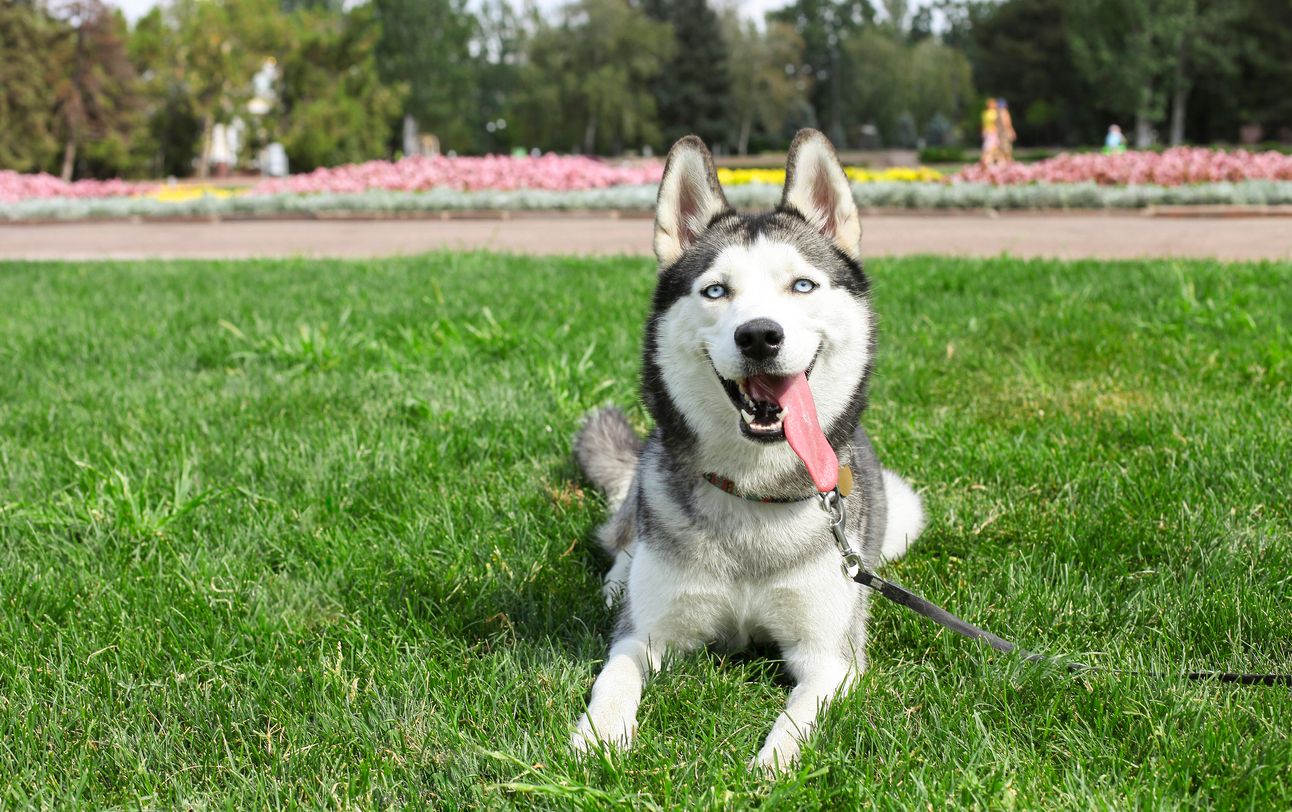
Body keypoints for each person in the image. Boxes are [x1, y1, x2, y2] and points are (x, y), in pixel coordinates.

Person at [981, 98, 1001, 164]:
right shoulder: (993, 113)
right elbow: (996, 122)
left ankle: (990, 161)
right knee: (991, 147)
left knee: (990, 147)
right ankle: (987, 161)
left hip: (986, 132)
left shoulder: (984, 113)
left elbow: (983, 124)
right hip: (992, 132)